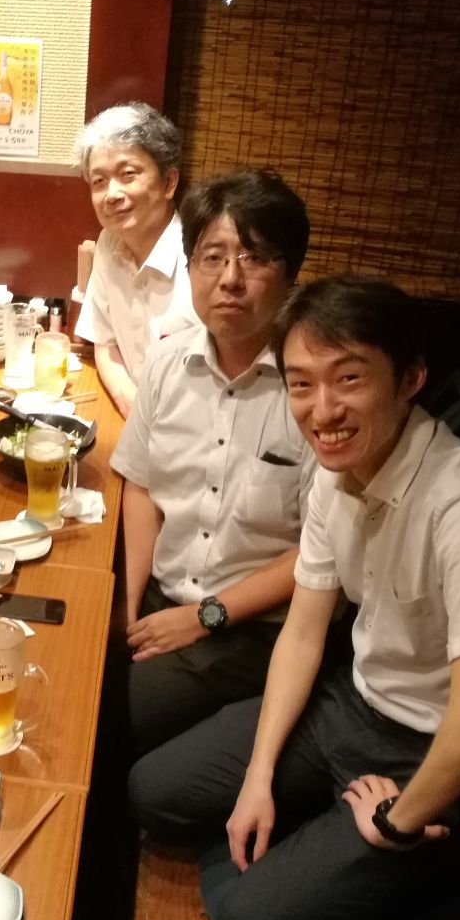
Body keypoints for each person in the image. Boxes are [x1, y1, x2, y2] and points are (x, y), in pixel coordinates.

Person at [129, 274, 460, 920]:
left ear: (410, 378)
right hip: (351, 704)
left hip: (435, 750)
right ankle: (330, 831)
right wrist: (259, 774)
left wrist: (396, 824)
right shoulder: (335, 474)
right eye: (301, 384)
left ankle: (426, 857)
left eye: (348, 378)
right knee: (154, 792)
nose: (322, 410)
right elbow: (303, 633)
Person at [111, 169, 317, 758]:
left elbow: (321, 549)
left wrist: (204, 618)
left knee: (112, 714)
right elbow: (141, 487)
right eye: (213, 257)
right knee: (74, 662)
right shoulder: (166, 365)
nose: (230, 278)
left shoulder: (312, 390)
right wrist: (127, 605)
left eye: (254, 258)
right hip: (163, 598)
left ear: (291, 275)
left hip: (255, 629)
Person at [73, 102, 201, 418]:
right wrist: (134, 413)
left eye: (127, 174)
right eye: (99, 181)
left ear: (169, 183)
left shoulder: (203, 261)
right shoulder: (109, 242)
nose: (112, 194)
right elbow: (105, 344)